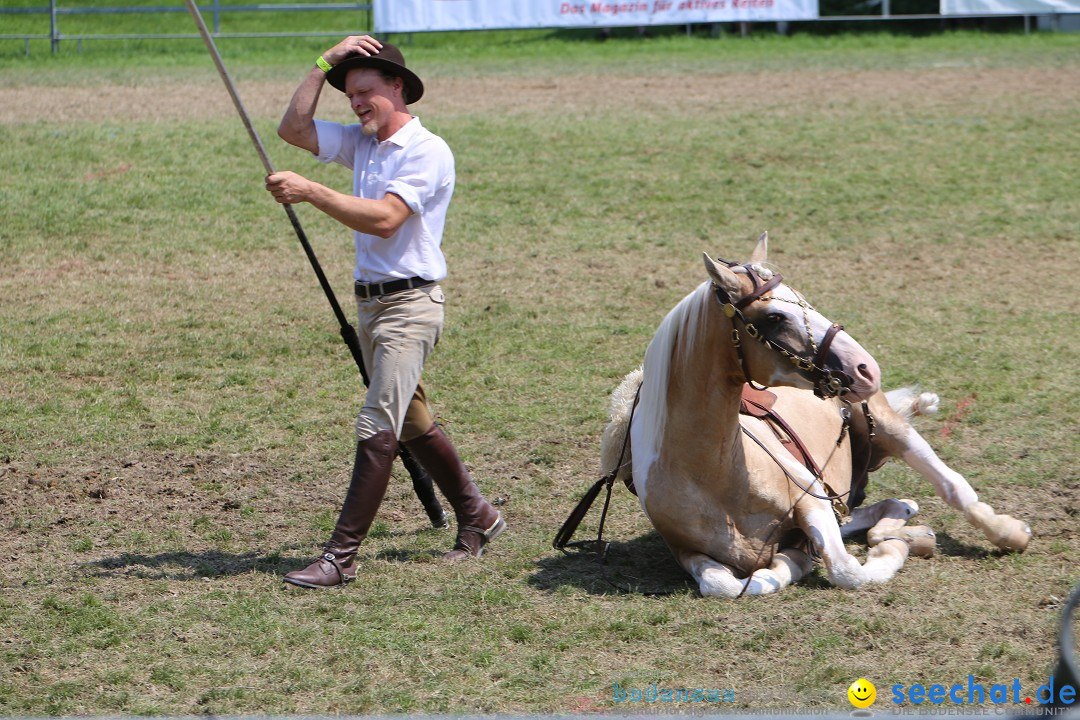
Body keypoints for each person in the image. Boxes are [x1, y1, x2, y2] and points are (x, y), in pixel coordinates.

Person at [268, 35, 506, 588]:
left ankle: (340, 558)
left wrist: (309, 191)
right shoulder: (364, 143)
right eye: (349, 94)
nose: (355, 104)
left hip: (411, 306)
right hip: (370, 305)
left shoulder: (427, 151)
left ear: (397, 88)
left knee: (378, 423)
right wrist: (322, 63)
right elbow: (293, 130)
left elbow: (384, 219)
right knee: (414, 421)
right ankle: (479, 515)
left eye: (366, 92)